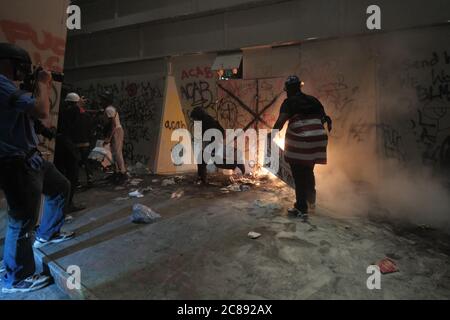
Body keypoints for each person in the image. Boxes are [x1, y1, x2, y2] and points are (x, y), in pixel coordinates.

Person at [0, 43, 74, 293]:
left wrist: (42, 132)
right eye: (19, 65)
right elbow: (41, 109)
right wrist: (43, 83)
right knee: (21, 220)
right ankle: (16, 279)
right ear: (5, 62)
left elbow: (27, 115)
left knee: (60, 187)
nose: (23, 70)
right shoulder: (0, 82)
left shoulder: (10, 87)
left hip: (32, 158)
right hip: (16, 163)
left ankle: (47, 234)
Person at [271, 75, 332, 220]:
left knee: (298, 174)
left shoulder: (289, 102)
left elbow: (281, 121)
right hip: (318, 139)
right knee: (308, 170)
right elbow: (324, 118)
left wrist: (271, 134)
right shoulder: (313, 100)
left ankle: (301, 208)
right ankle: (311, 202)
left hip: (299, 140)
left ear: (288, 89)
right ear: (299, 86)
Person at [190, 107, 245, 184]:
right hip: (214, 143)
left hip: (213, 144)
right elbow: (221, 131)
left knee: (215, 162)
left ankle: (236, 164)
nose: (194, 120)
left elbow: (206, 135)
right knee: (204, 160)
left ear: (198, 116)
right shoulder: (208, 119)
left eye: (194, 118)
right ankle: (202, 178)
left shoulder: (205, 122)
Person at [54, 92, 86, 212]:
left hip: (61, 145)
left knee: (62, 175)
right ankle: (68, 204)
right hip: (68, 146)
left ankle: (61, 202)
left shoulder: (61, 111)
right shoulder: (72, 111)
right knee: (72, 176)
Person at [101, 91, 127, 184]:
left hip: (116, 131)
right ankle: (117, 172)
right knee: (113, 153)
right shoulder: (108, 109)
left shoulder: (109, 109)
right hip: (115, 131)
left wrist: (109, 137)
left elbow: (113, 125)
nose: (101, 101)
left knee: (117, 152)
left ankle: (122, 173)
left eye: (103, 99)